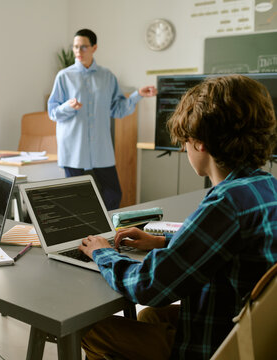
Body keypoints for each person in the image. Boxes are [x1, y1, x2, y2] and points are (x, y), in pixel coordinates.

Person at [78, 74, 277, 360]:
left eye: (185, 141)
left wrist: (103, 252)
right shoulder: (266, 185)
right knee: (151, 317)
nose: (183, 148)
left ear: (201, 143)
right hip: (249, 329)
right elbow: (227, 244)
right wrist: (161, 241)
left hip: (217, 346)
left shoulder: (225, 203)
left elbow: (149, 284)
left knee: (89, 329)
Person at [48, 28, 157, 210]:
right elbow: (52, 112)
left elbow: (118, 110)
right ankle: (82, 238)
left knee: (113, 195)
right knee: (77, 202)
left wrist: (137, 95)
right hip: (74, 151)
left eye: (83, 47)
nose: (78, 52)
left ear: (94, 47)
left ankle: (104, 236)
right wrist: (68, 106)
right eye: (75, 47)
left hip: (101, 151)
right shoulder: (64, 77)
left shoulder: (107, 77)